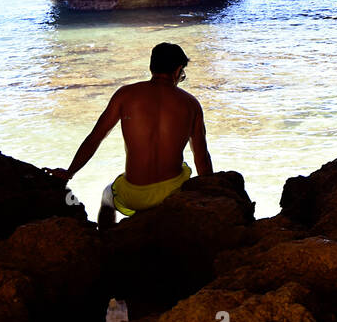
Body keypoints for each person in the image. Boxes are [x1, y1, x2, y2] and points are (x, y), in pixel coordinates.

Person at [45, 43, 212, 228]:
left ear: (151, 67)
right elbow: (201, 157)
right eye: (182, 75)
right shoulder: (191, 104)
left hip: (134, 195)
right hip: (172, 192)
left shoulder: (125, 95)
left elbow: (95, 138)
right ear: (178, 70)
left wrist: (69, 172)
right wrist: (211, 193)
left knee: (107, 195)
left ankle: (106, 239)